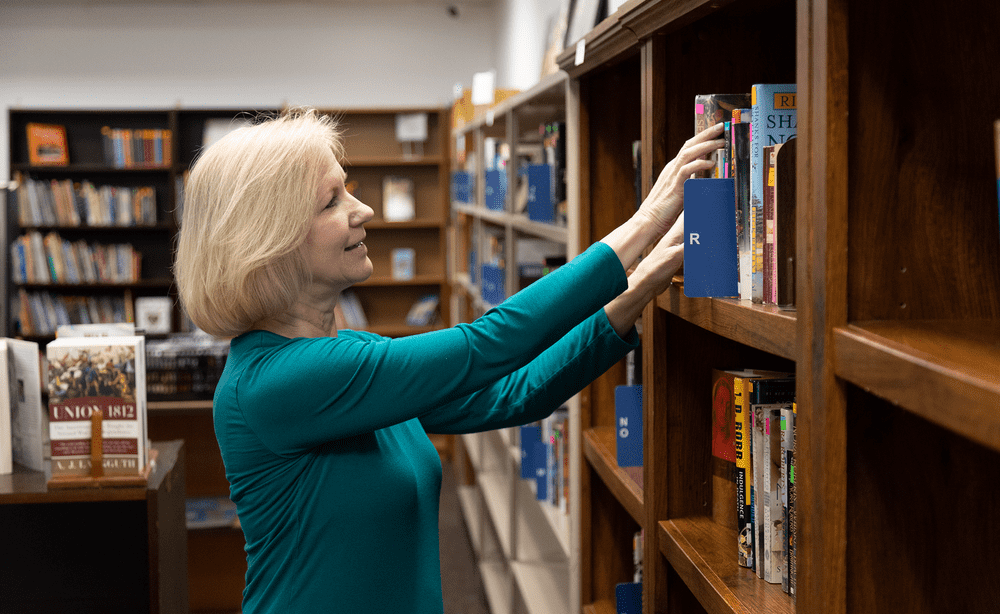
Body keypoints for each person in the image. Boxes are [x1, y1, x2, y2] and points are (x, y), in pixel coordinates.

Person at [174, 108, 724, 613]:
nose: (363, 210)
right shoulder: (278, 383)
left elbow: (518, 392)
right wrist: (645, 221)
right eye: (332, 201)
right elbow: (486, 345)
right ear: (271, 242)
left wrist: (637, 286)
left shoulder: (353, 357)